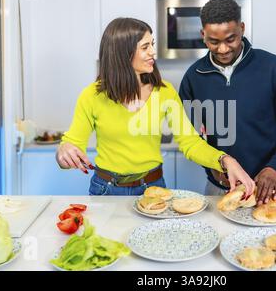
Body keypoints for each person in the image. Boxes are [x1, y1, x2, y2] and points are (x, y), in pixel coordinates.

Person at [56, 17, 255, 196]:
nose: (153, 52)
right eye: (145, 47)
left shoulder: (164, 91)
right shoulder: (92, 95)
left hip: (152, 189)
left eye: (152, 44)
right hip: (105, 189)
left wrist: (225, 160)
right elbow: (72, 144)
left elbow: (190, 142)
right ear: (122, 53)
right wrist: (64, 153)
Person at [179, 0, 276, 205]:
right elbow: (191, 137)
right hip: (219, 191)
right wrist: (212, 168)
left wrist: (275, 168)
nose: (223, 49)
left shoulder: (274, 68)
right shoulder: (194, 77)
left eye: (230, 39)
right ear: (203, 35)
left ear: (242, 29)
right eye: (214, 41)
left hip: (270, 188)